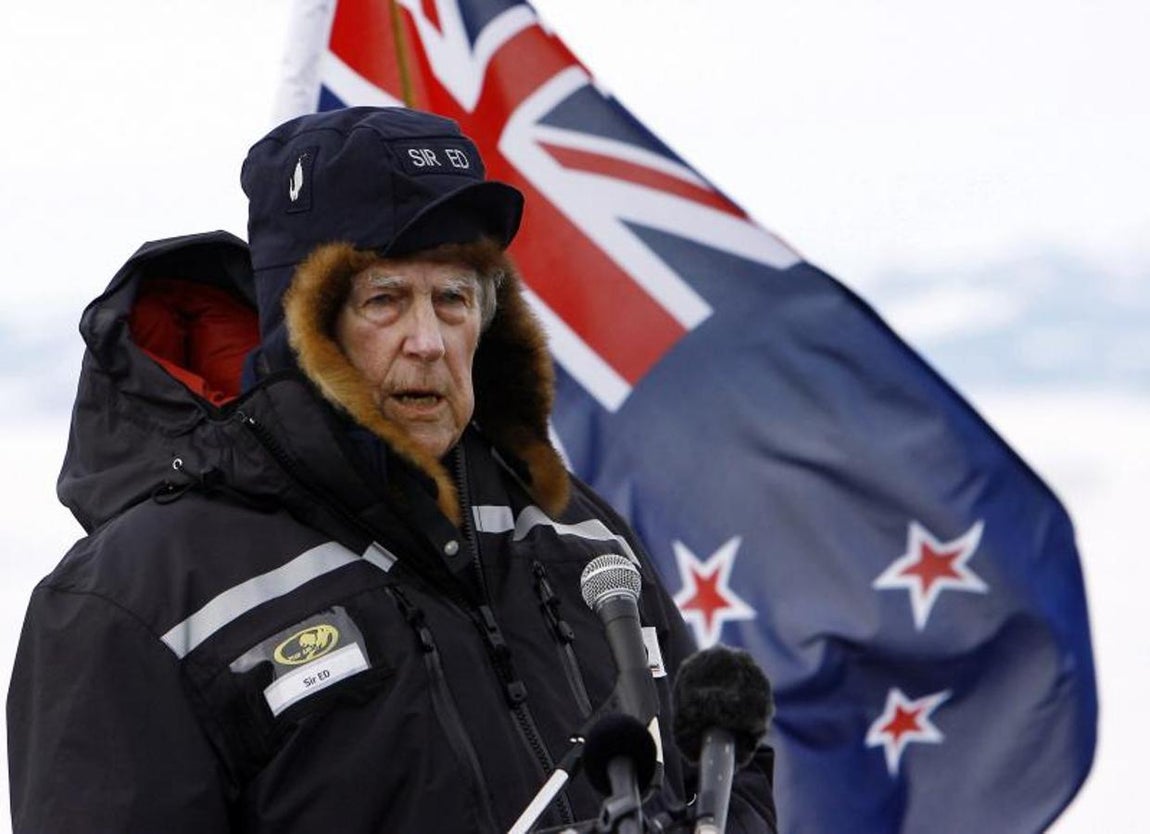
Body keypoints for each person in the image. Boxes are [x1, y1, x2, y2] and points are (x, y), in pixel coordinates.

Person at [8, 106, 777, 833]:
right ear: (301, 328)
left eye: (453, 297)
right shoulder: (138, 600)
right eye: (385, 300)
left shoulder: (575, 532)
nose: (429, 341)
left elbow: (714, 771)